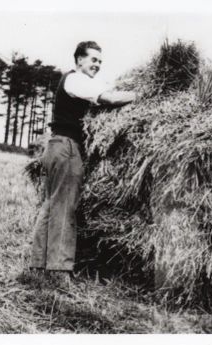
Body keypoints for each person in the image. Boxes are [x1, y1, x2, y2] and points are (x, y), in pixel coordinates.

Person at [29, 41, 140, 284]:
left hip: (57, 147)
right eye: (93, 60)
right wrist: (140, 95)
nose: (97, 65)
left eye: (100, 61)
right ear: (79, 60)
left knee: (51, 205)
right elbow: (107, 98)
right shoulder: (75, 80)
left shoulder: (78, 82)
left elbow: (102, 88)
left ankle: (37, 266)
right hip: (67, 148)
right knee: (65, 207)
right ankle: (58, 271)